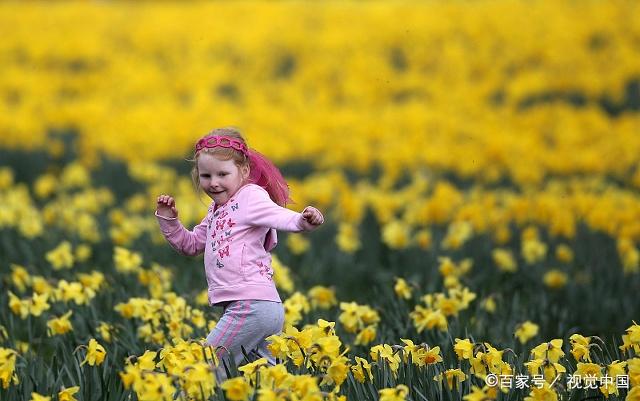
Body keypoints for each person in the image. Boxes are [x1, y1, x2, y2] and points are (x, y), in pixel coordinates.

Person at [155, 127, 324, 378]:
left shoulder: (250, 196)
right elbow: (189, 245)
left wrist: (302, 221)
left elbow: (277, 214)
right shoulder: (216, 210)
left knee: (204, 369)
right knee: (263, 382)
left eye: (223, 174)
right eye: (206, 176)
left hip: (250, 306)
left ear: (243, 171)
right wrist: (169, 221)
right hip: (260, 307)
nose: (213, 182)